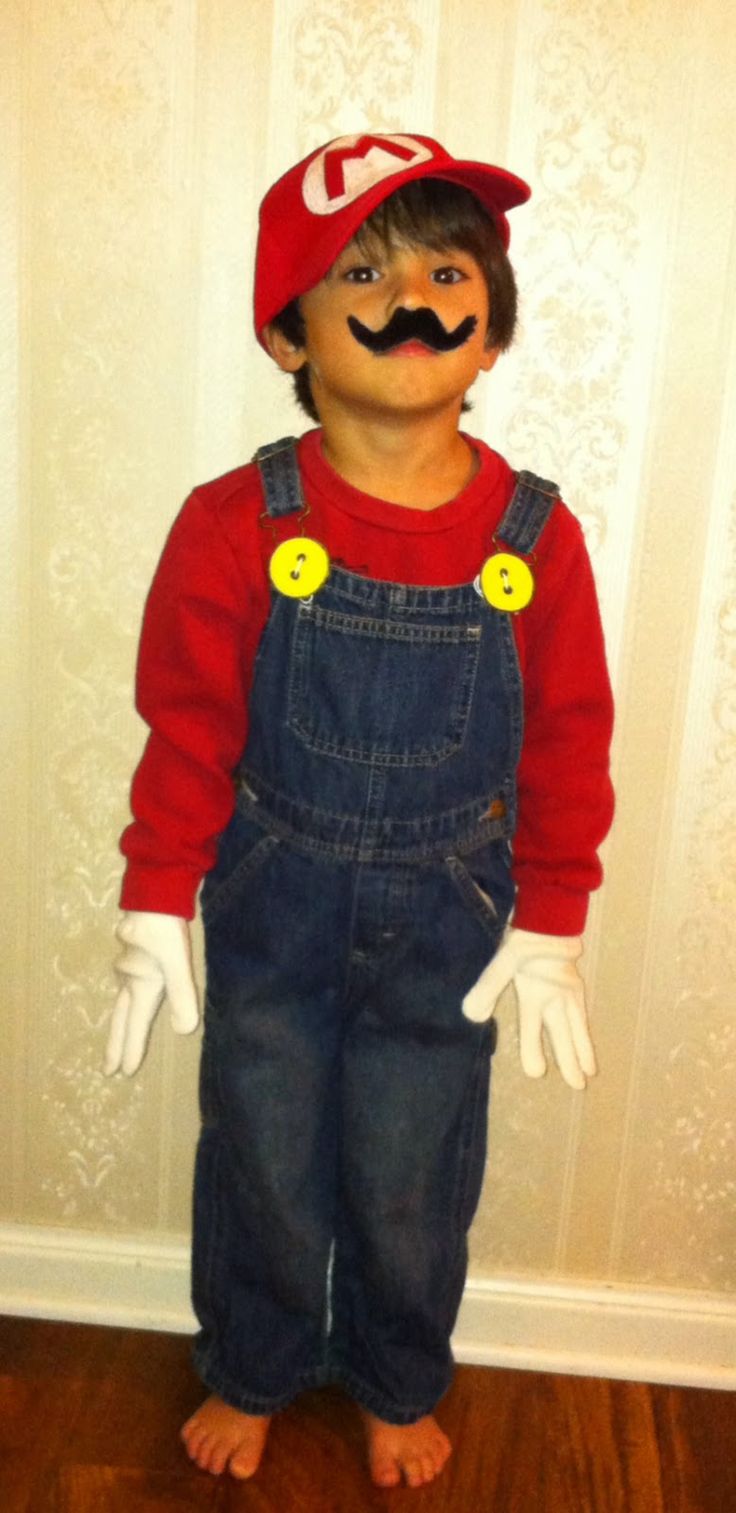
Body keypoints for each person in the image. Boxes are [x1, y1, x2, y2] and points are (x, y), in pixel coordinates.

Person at [105, 132, 614, 1489]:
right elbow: (187, 722)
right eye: (363, 271)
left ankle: (399, 1372)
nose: (415, 298)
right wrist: (157, 891)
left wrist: (555, 914)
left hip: (454, 913)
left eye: (450, 269)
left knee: (410, 1157)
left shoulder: (535, 538)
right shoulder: (235, 521)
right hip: (274, 893)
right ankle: (254, 1364)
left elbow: (571, 731)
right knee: (262, 1142)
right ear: (290, 330)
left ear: (491, 323)